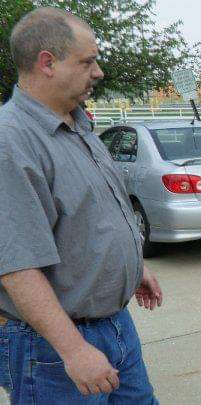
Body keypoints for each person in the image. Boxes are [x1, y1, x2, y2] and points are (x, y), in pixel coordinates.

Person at [0, 8, 162, 404]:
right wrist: (73, 350)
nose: (99, 72)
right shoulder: (11, 141)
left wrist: (131, 267)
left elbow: (93, 214)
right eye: (88, 61)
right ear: (47, 63)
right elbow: (17, 266)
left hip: (115, 326)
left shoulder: (78, 126)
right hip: (53, 346)